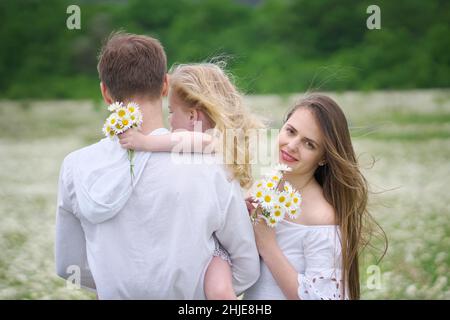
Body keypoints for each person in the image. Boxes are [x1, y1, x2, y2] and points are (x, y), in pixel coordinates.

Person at [55, 32, 260, 299]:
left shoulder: (75, 166)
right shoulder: (210, 165)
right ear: (165, 85)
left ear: (105, 92)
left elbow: (68, 265)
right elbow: (246, 265)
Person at [117, 62, 265, 299]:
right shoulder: (217, 149)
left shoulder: (211, 142)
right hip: (213, 246)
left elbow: (194, 140)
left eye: (172, 112)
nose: (170, 122)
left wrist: (146, 143)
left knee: (220, 292)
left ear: (193, 116)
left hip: (218, 250)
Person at [243, 94, 387, 300]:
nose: (292, 145)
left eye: (309, 144)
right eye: (290, 131)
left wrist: (268, 246)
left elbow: (322, 297)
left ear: (323, 158)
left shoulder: (322, 216)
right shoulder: (261, 190)